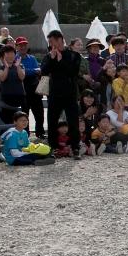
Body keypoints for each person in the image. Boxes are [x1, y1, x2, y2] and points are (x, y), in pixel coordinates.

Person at [41, 30, 82, 160]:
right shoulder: (48, 56)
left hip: (70, 94)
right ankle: (53, 147)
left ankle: (75, 147)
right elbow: (44, 72)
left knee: (73, 121)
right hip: (54, 94)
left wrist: (61, 61)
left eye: (52, 41)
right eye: (49, 42)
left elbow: (73, 73)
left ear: (60, 40)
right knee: (52, 121)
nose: (51, 44)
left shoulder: (74, 55)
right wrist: (53, 59)